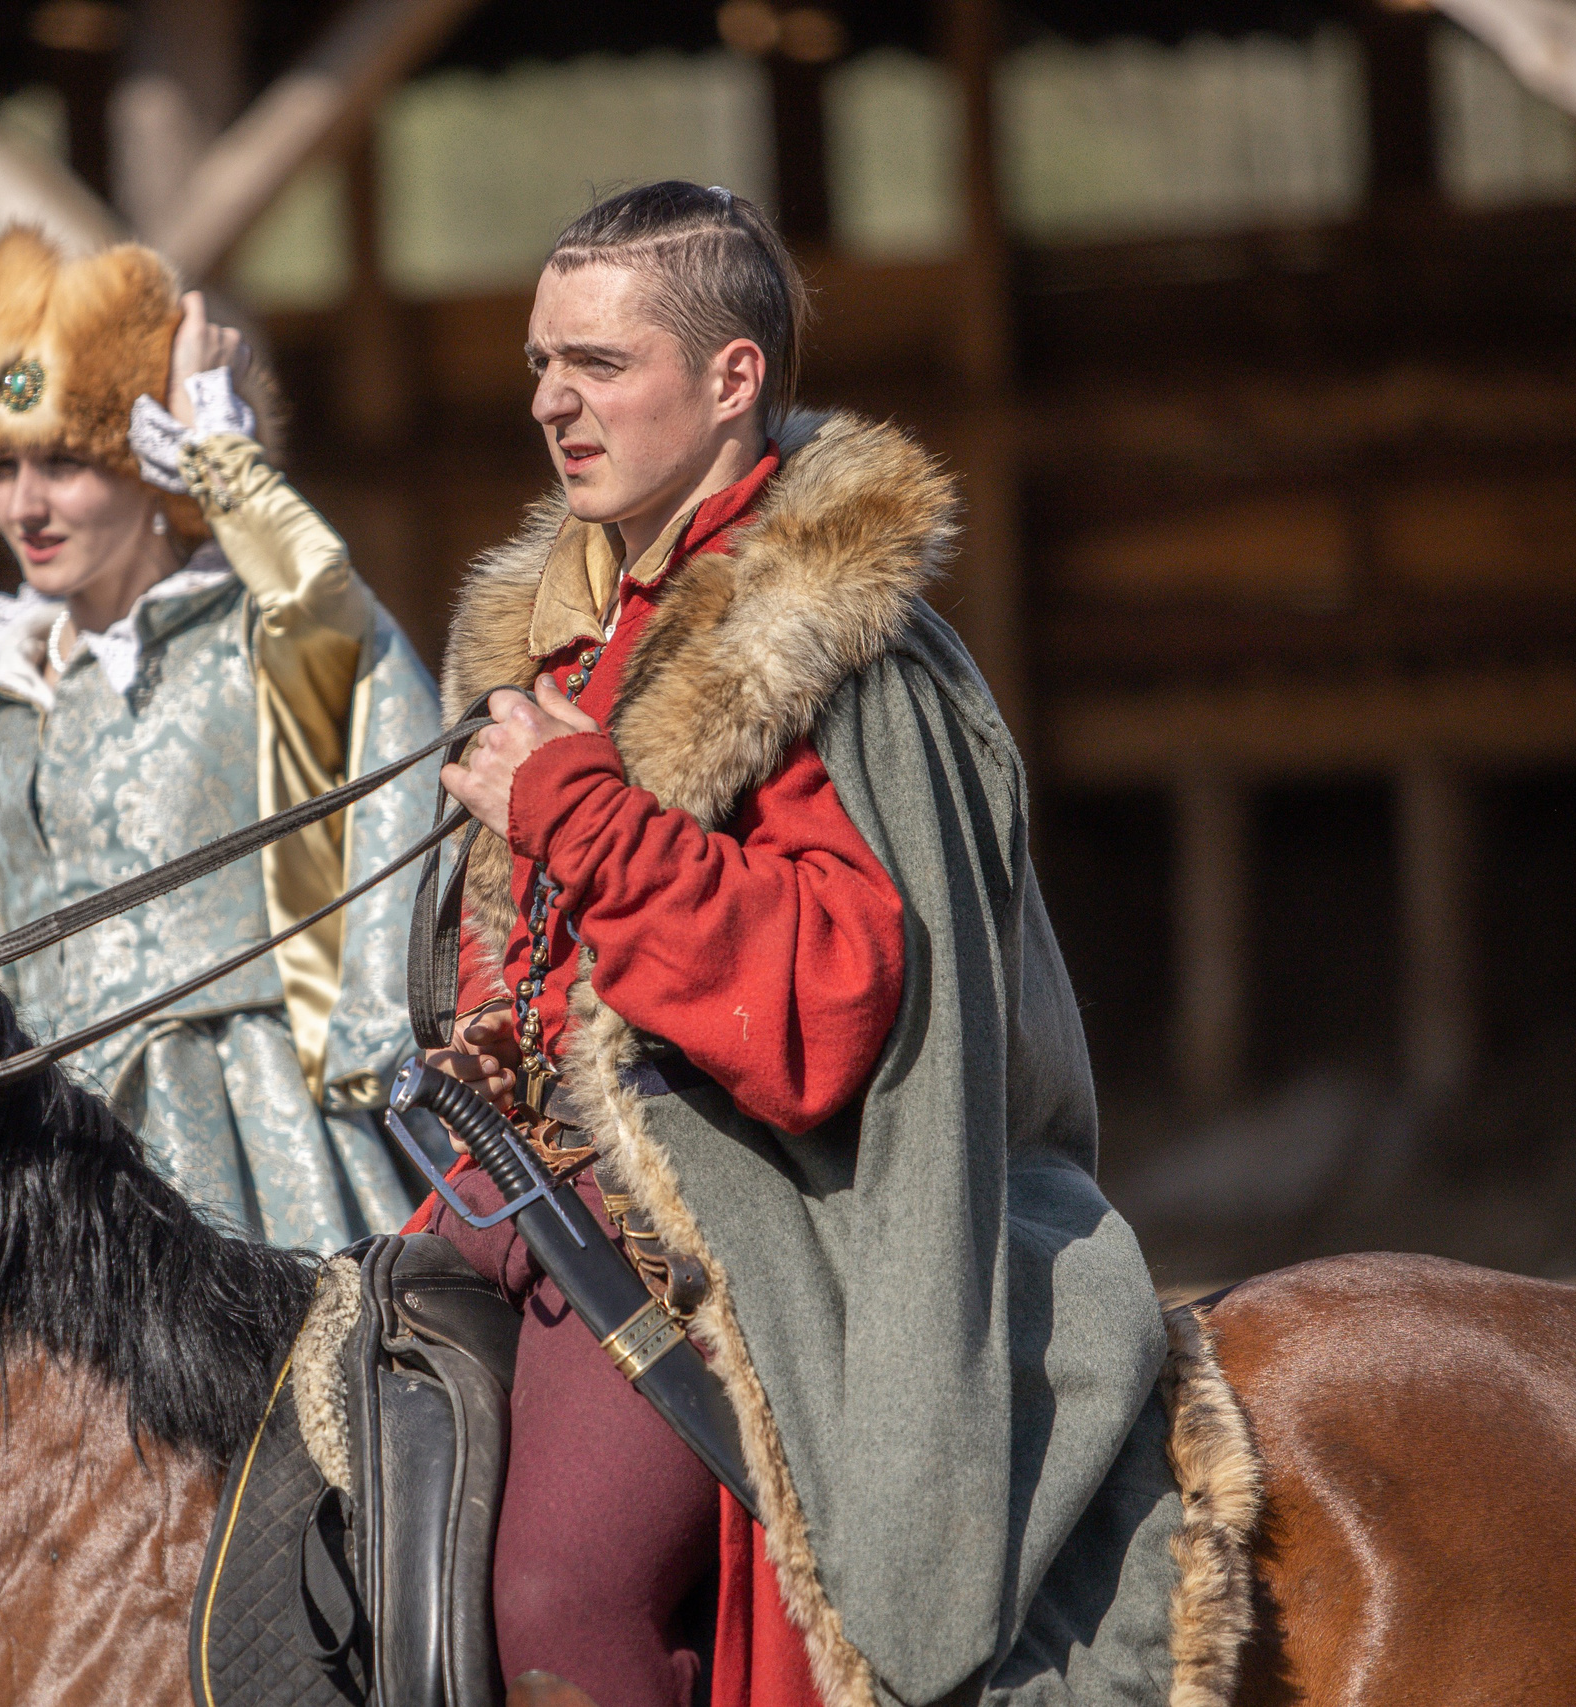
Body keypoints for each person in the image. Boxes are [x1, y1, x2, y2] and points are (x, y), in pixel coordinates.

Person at [415, 182, 1198, 1707]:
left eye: (596, 363)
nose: (551, 402)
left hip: (744, 1218)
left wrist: (575, 806)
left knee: (556, 1592)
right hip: (504, 1199)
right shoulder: (563, 630)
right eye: (537, 363)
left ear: (730, 380)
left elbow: (827, 1007)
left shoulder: (840, 653)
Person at [0, 229, 440, 1251]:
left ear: (149, 468)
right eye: (2, 464)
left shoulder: (260, 635)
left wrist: (215, 444)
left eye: (64, 461)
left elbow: (325, 595)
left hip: (240, 1130)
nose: (25, 503)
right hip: (37, 1163)